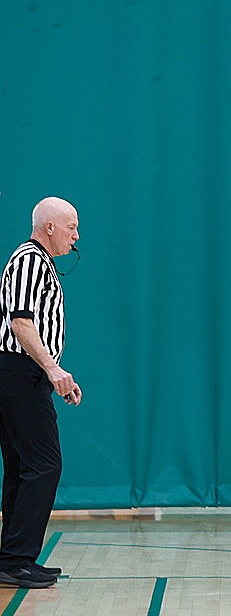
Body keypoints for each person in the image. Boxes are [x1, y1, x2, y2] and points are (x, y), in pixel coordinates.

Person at [0, 197, 82, 589]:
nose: (76, 235)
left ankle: (11, 558)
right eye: (71, 226)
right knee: (43, 465)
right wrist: (52, 369)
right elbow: (20, 321)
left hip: (22, 375)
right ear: (49, 227)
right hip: (18, 373)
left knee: (22, 467)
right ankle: (16, 558)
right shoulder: (29, 260)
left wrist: (54, 375)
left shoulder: (40, 263)